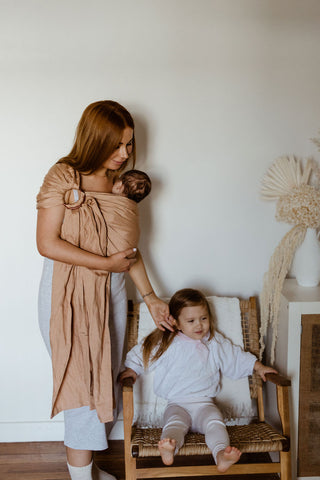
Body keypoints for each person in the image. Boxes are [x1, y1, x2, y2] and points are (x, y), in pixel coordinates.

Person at [36, 100, 172, 480]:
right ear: (95, 139)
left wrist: (151, 298)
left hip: (110, 293)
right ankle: (81, 478)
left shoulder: (120, 185)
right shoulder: (64, 177)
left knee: (102, 382)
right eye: (117, 145)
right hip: (67, 298)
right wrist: (107, 265)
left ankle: (86, 470)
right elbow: (47, 243)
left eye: (129, 144)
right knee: (83, 386)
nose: (124, 154)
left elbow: (126, 250)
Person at [119, 288, 277, 472]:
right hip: (177, 403)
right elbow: (142, 354)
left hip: (205, 404)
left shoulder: (214, 342)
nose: (199, 325)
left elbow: (235, 357)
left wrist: (259, 367)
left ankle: (220, 455)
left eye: (204, 318)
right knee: (174, 423)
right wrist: (131, 370)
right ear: (176, 322)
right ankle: (169, 448)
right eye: (191, 321)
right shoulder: (166, 342)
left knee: (215, 422)